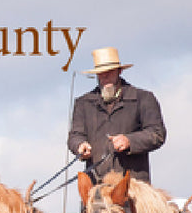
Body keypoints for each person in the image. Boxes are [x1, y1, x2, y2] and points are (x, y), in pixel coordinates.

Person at [67, 47, 166, 184]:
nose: (105, 76)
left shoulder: (143, 98)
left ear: (119, 71)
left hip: (133, 186)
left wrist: (129, 141)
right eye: (100, 73)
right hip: (95, 186)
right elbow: (75, 136)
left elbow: (157, 134)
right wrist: (80, 145)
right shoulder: (83, 103)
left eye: (109, 71)